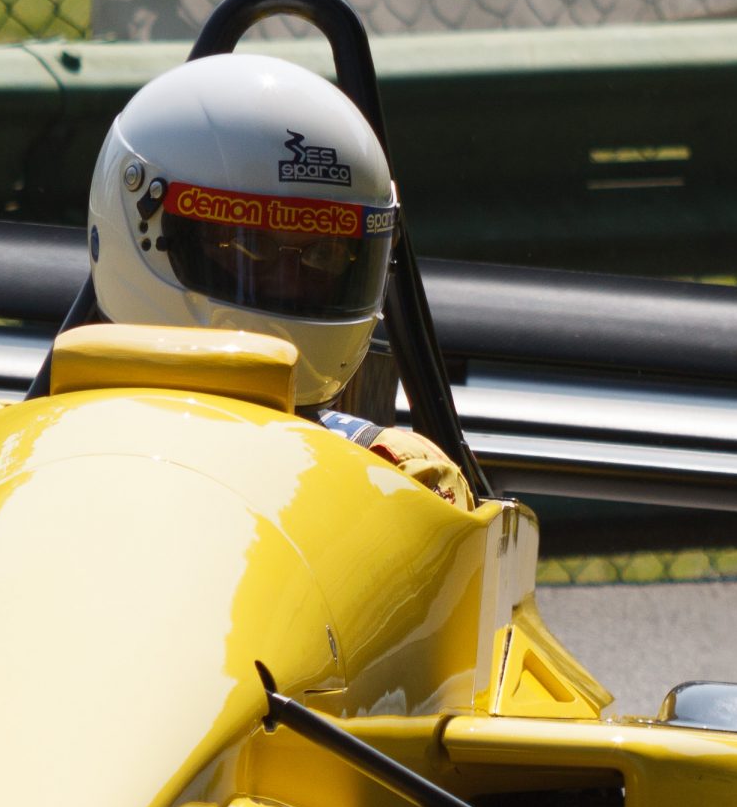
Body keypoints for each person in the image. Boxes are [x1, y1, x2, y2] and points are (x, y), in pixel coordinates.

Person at [83, 52, 472, 508]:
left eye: (324, 253)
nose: (290, 283)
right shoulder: (6, 444)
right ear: (145, 226)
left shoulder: (406, 479)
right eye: (245, 247)